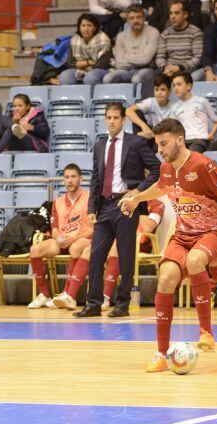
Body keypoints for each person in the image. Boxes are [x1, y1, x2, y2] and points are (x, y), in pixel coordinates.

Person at [118, 118, 217, 372]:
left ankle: (206, 332)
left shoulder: (204, 165)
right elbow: (160, 188)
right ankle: (161, 354)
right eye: (157, 144)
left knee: (195, 261)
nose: (159, 149)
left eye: (164, 144)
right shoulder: (166, 169)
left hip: (214, 231)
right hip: (183, 234)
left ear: (179, 140)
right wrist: (136, 197)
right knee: (166, 278)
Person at [75, 103, 161, 318]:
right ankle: (93, 303)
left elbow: (158, 169)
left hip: (126, 205)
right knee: (96, 256)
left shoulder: (137, 142)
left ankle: (122, 304)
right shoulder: (99, 146)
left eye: (116, 117)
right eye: (108, 117)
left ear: (124, 120)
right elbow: (96, 179)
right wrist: (92, 207)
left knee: (125, 255)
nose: (112, 121)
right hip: (104, 206)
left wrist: (138, 191)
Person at [28, 164, 94, 310]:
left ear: (80, 179)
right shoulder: (57, 202)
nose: (70, 180)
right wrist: (58, 238)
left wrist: (74, 238)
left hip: (83, 239)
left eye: (73, 177)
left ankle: (69, 295)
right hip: (63, 241)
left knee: (76, 248)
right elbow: (55, 228)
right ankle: (44, 294)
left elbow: (95, 228)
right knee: (35, 250)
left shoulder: (90, 198)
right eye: (67, 177)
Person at [102, 199, 165, 309]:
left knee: (117, 244)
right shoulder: (124, 200)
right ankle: (104, 297)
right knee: (111, 243)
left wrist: (134, 211)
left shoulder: (157, 204)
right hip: (121, 239)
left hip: (141, 244)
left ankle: (106, 296)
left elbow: (149, 227)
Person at [102, 4, 160, 99]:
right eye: (132, 18)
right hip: (125, 71)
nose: (135, 21)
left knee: (136, 79)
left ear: (144, 18)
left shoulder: (153, 32)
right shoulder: (121, 36)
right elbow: (119, 64)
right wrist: (138, 57)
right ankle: (118, 106)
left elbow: (146, 60)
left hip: (147, 69)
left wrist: (126, 56)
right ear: (127, 20)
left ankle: (138, 106)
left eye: (139, 17)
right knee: (107, 78)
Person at [171, 71, 217, 152]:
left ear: (189, 86)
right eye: (174, 85)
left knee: (189, 158)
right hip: (183, 142)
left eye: (179, 84)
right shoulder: (174, 107)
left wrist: (211, 135)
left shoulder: (202, 101)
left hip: (199, 140)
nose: (175, 88)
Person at [58, 14, 112, 86]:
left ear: (95, 28)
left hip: (102, 70)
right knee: (65, 76)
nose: (86, 29)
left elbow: (102, 64)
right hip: (81, 70)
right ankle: (75, 97)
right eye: (83, 25)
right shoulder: (75, 40)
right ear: (79, 27)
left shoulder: (103, 40)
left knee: (90, 77)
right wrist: (89, 62)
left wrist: (81, 65)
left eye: (89, 26)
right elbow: (70, 63)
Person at [155, 1, 205, 78]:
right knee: (149, 78)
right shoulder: (165, 34)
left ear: (185, 15)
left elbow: (198, 58)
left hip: (187, 69)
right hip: (168, 68)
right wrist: (165, 67)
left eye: (176, 13)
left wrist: (179, 68)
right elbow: (160, 57)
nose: (172, 17)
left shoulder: (195, 32)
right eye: (171, 13)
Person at [127, 74, 176, 146]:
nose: (159, 93)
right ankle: (138, 141)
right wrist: (144, 127)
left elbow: (171, 133)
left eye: (162, 90)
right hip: (150, 136)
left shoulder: (174, 107)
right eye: (156, 89)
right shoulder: (151, 102)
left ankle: (139, 141)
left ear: (169, 91)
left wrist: (151, 134)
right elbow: (128, 111)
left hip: (164, 140)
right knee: (136, 112)